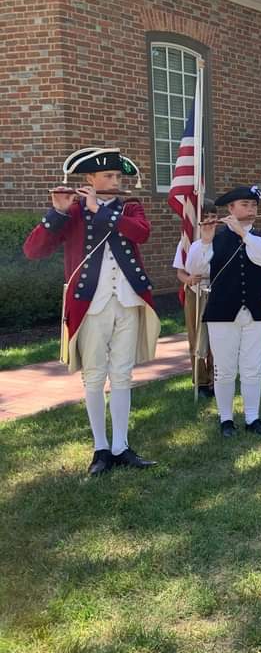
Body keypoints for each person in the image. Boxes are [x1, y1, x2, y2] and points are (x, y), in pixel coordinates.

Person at [23, 147, 160, 475]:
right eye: (108, 176)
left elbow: (141, 233)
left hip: (128, 300)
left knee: (123, 375)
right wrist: (56, 213)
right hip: (90, 304)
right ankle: (101, 449)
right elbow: (33, 250)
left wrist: (101, 209)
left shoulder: (130, 207)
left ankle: (121, 446)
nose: (115, 181)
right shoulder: (72, 212)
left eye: (117, 176)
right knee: (95, 376)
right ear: (90, 179)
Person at [186, 185, 261, 437]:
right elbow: (194, 270)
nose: (250, 210)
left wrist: (243, 233)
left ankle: (253, 418)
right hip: (221, 312)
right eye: (245, 205)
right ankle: (225, 419)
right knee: (225, 369)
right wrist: (206, 243)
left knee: (253, 368)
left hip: (255, 311)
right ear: (230, 209)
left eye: (253, 206)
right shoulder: (212, 238)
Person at [174, 202, 214, 399]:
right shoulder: (187, 242)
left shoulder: (222, 240)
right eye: (205, 216)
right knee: (196, 337)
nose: (209, 221)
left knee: (216, 337)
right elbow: (180, 272)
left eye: (213, 216)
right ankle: (201, 381)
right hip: (194, 291)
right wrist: (188, 279)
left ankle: (216, 379)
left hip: (216, 291)